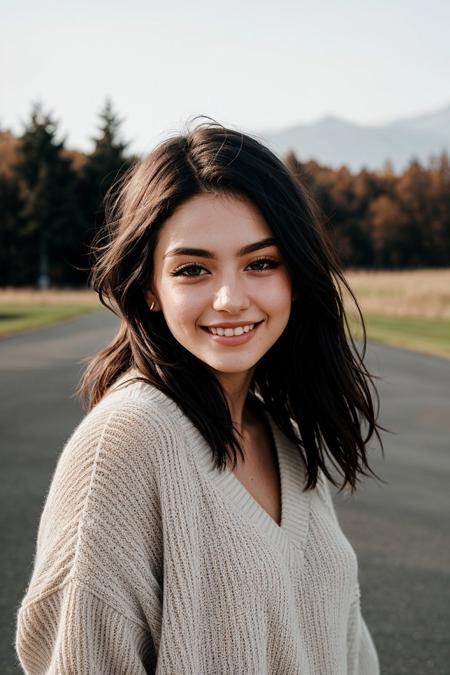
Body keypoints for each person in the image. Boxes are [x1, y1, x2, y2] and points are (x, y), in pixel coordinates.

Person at [15, 118, 384, 674]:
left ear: (295, 277)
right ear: (149, 289)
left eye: (261, 263)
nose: (231, 298)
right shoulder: (127, 442)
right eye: (193, 270)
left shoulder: (280, 434)